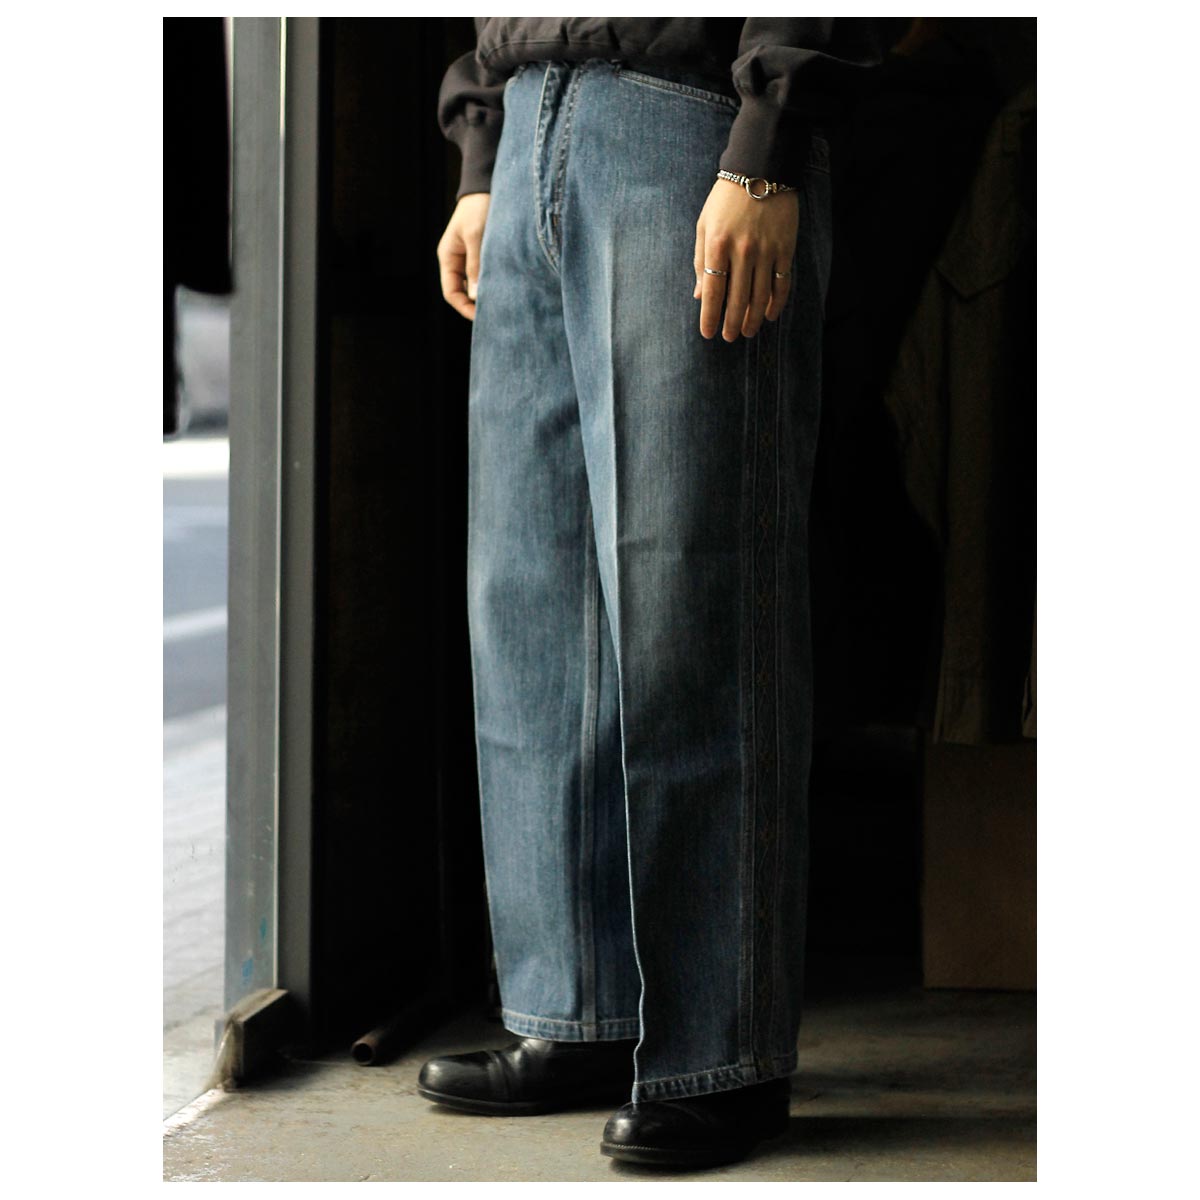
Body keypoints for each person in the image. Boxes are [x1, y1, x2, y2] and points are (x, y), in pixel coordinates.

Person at [423, 17, 891, 1169]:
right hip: (531, 118)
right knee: (532, 612)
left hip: (685, 121)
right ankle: (581, 1012)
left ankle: (721, 1054)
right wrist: (484, 152)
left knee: (697, 598)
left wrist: (769, 140)